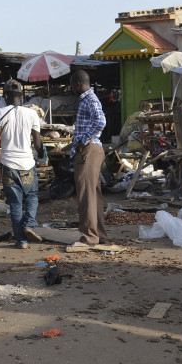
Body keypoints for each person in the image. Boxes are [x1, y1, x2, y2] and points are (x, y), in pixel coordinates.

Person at [0, 79, 45, 249]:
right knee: (32, 197)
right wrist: (42, 155)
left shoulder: (0, 113)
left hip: (8, 165)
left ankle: (21, 240)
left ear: (6, 96)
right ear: (21, 97)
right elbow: (37, 143)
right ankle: (29, 224)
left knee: (15, 203)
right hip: (27, 164)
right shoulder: (32, 114)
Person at [68, 70, 110, 247]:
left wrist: (84, 141)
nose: (72, 90)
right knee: (93, 195)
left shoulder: (89, 99)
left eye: (72, 86)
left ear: (78, 84)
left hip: (89, 150)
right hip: (93, 150)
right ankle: (99, 234)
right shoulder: (88, 99)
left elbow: (101, 121)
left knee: (86, 195)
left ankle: (90, 236)